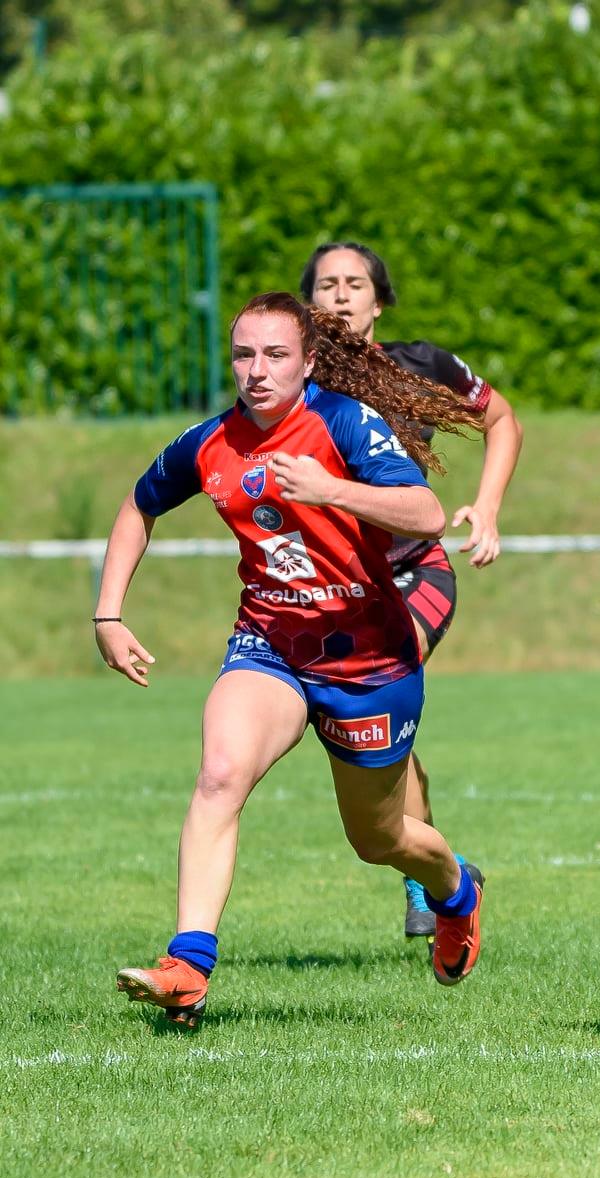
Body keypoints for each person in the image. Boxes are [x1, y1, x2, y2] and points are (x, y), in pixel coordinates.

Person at [99, 294, 487, 1029]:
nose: (256, 370)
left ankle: (456, 892)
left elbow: (427, 514)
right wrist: (108, 613)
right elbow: (137, 505)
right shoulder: (210, 441)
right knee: (219, 774)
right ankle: (188, 965)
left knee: (380, 839)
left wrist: (331, 488)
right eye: (244, 355)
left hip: (370, 659)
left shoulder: (342, 421)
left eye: (275, 355)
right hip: (270, 643)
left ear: (308, 361)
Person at [302, 242, 523, 938]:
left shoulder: (421, 365)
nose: (340, 296)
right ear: (309, 302)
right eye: (327, 285)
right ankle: (438, 867)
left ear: (379, 299)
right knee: (367, 726)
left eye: (355, 283)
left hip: (414, 573)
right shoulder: (287, 381)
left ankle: (428, 884)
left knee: (379, 691)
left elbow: (501, 419)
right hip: (333, 589)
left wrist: (486, 507)